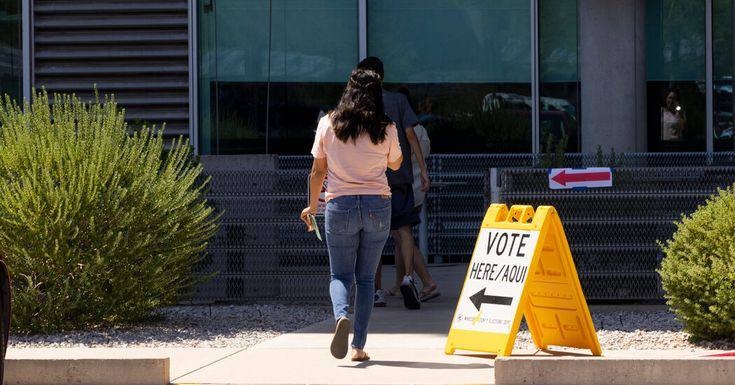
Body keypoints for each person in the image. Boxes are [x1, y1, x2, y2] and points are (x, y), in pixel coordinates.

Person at [300, 68, 403, 361]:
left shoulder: (328, 124)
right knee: (367, 279)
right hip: (377, 206)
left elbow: (318, 171)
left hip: (340, 206)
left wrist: (312, 207)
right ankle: (358, 346)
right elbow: (395, 165)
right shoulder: (386, 127)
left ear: (348, 90)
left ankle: (341, 317)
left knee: (340, 275)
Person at [357, 57, 430, 310]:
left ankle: (376, 291)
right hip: (399, 177)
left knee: (373, 237)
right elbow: (411, 136)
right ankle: (409, 278)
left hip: (371, 180)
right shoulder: (398, 101)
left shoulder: (359, 105)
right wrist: (423, 170)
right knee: (404, 231)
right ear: (383, 76)